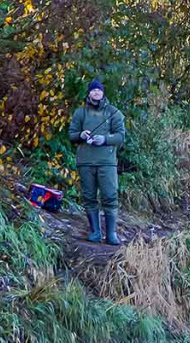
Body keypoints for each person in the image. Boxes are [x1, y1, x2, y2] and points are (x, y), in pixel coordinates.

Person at [68, 78, 126, 246]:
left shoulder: (113, 112)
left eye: (99, 90)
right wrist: (81, 135)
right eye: (93, 90)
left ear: (103, 93)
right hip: (85, 162)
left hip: (107, 162)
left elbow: (121, 136)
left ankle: (111, 234)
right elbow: (72, 135)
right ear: (89, 93)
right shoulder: (80, 112)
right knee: (88, 197)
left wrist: (105, 139)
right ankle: (95, 232)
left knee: (110, 195)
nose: (96, 93)